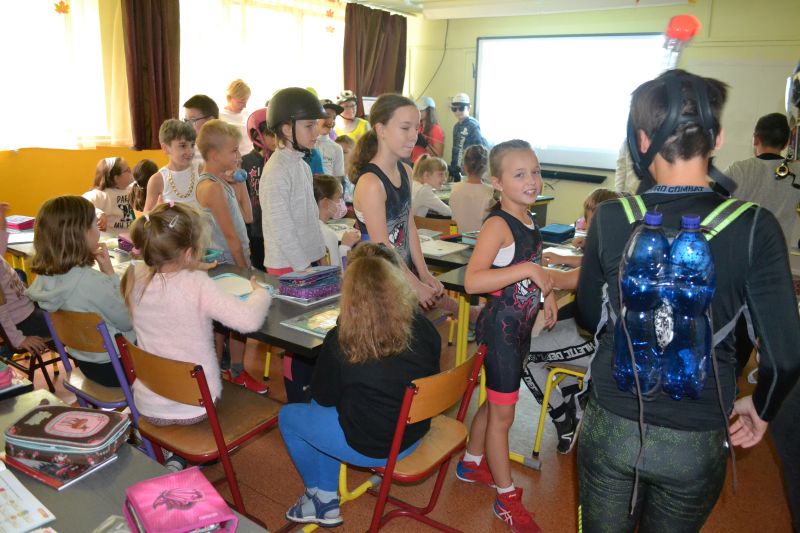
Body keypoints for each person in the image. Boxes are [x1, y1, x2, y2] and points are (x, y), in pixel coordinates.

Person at [575, 69, 800, 532]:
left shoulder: (612, 216)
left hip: (613, 425)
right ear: (717, 138)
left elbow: (589, 316)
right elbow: (786, 357)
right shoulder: (755, 226)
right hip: (695, 439)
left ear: (642, 141)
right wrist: (761, 408)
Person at [279, 243, 440, 528]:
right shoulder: (424, 327)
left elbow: (324, 398)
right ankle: (325, 496)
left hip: (373, 446)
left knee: (290, 416)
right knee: (330, 406)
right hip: (413, 433)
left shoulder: (343, 339)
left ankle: (319, 496)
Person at [455, 139, 556, 533]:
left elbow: (532, 266)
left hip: (518, 331)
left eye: (535, 171)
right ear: (497, 182)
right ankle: (506, 498)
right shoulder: (498, 224)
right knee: (504, 416)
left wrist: (547, 293)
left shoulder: (528, 218)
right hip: (500, 332)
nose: (532, 180)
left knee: (497, 402)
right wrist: (529, 271)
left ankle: (471, 462)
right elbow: (473, 281)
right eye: (520, 174)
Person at [121, 203, 270, 427]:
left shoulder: (133, 276)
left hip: (148, 404)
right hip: (195, 406)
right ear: (188, 253)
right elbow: (249, 321)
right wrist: (261, 294)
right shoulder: (196, 284)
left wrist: (191, 266)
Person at [524, 188, 621, 454]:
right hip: (607, 340)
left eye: (589, 221)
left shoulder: (607, 256)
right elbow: (585, 264)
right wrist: (562, 259)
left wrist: (525, 266)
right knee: (550, 332)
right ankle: (572, 401)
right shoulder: (621, 245)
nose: (585, 226)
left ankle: (561, 418)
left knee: (523, 355)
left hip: (600, 347)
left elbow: (563, 279)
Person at [260, 87, 327, 402]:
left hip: (305, 263)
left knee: (311, 333)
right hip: (288, 266)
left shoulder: (301, 164)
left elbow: (309, 216)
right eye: (309, 126)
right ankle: (296, 395)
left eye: (316, 125)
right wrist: (304, 269)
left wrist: (318, 256)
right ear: (287, 128)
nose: (317, 132)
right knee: (297, 339)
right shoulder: (276, 171)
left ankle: (312, 389)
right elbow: (282, 227)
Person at [27, 196, 135, 387]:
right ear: (81, 233)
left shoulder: (44, 280)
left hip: (86, 365)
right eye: (95, 223)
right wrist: (111, 276)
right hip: (120, 368)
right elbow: (127, 321)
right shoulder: (92, 282)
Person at [350, 94, 444, 309]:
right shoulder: (372, 183)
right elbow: (382, 246)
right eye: (405, 128)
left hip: (402, 275)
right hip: (378, 283)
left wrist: (424, 273)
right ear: (381, 130)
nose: (414, 136)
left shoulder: (406, 171)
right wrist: (415, 285)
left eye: (416, 128)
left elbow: (409, 227)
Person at [724, 112, 800, 249]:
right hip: (780, 254)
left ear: (755, 139)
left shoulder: (738, 170)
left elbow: (708, 201)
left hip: (742, 251)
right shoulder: (797, 172)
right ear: (786, 144)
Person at [0, 203, 50, 356]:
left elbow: (1, 236)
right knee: (67, 321)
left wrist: (1, 217)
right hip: (23, 322)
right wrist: (18, 339)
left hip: (26, 309)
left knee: (60, 305)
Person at [242, 108, 276, 272]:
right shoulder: (245, 162)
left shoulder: (280, 160)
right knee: (260, 270)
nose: (276, 138)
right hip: (256, 228)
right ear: (257, 135)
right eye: (271, 134)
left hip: (276, 227)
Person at [144, 119, 199, 212]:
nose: (190, 151)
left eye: (192, 145)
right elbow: (147, 214)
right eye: (183, 146)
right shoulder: (158, 180)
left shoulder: (200, 171)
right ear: (165, 148)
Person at [313, 175, 360, 269]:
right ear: (326, 202)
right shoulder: (327, 235)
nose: (342, 202)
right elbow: (336, 273)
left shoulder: (312, 227)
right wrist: (345, 246)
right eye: (339, 197)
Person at [83, 157, 135, 235]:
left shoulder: (131, 189)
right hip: (111, 239)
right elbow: (82, 204)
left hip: (131, 237)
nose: (131, 171)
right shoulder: (102, 194)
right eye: (127, 170)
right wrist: (99, 213)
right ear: (116, 178)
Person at [449, 144, 493, 232]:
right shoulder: (490, 191)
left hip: (455, 237)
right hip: (478, 238)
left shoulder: (455, 188)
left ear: (464, 166)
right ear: (485, 168)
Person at [449, 92, 488, 182]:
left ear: (468, 108)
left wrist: (474, 171)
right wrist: (453, 168)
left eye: (461, 108)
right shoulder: (456, 127)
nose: (457, 111)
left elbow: (478, 150)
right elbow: (455, 149)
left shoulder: (473, 125)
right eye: (454, 109)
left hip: (470, 171)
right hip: (458, 170)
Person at [219, 79, 253, 156]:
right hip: (233, 158)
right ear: (229, 98)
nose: (244, 106)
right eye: (241, 102)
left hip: (251, 158)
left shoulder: (248, 114)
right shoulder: (219, 116)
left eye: (246, 102)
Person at [315, 99, 345, 179]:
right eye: (327, 116)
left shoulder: (337, 148)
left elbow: (338, 179)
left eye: (334, 117)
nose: (331, 121)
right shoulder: (303, 144)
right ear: (315, 117)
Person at [412, 96, 445, 162]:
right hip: (415, 163)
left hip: (427, 165)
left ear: (429, 111)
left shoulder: (436, 129)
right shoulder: (418, 126)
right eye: (417, 110)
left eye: (421, 110)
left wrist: (425, 145)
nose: (418, 112)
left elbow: (439, 157)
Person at [334, 135, 355, 203]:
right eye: (337, 152)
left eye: (344, 152)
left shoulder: (359, 177)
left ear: (353, 154)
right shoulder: (330, 176)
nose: (340, 155)